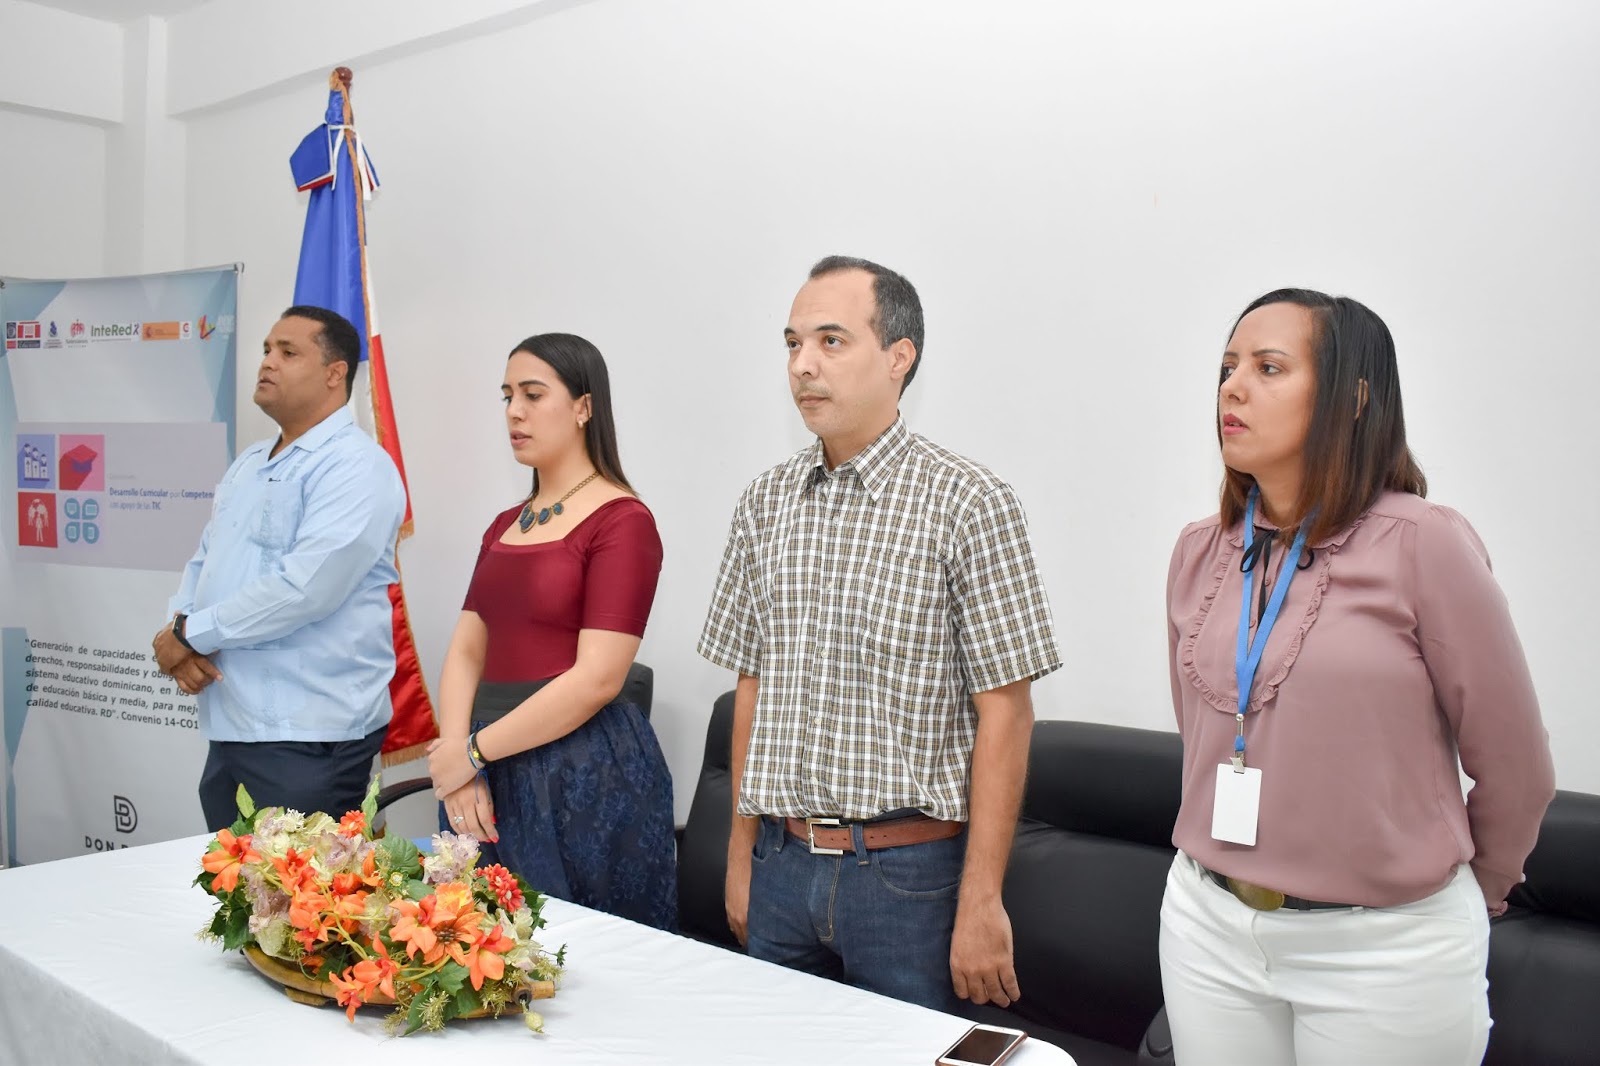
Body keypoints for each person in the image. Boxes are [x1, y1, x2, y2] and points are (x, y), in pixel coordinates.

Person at [1160, 288, 1555, 1064]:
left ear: (1354, 398)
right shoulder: (1199, 551)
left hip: (1383, 952)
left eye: (1269, 368)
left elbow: (1517, 767)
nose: (1233, 388)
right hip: (1209, 925)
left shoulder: (1423, 543)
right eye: (1228, 367)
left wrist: (1472, 891)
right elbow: (1201, 729)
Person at [697, 256, 1061, 1012]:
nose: (803, 365)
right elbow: (751, 686)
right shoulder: (764, 502)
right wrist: (740, 859)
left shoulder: (969, 503)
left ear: (900, 357)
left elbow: (1006, 712)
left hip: (909, 878)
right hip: (781, 861)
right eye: (793, 343)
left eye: (831, 341)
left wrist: (982, 900)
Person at [425, 332, 676, 931]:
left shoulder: (623, 521)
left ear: (584, 407)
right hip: (481, 766)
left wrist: (471, 753)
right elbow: (466, 650)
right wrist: (458, 759)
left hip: (580, 769)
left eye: (533, 395)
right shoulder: (503, 526)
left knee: (579, 954)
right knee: (471, 950)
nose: (514, 411)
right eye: (508, 395)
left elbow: (598, 679)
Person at [153, 305, 406, 830]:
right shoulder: (250, 462)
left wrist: (189, 635)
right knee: (236, 882)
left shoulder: (356, 466)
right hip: (232, 725)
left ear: (336, 373)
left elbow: (305, 589)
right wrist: (179, 630)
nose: (268, 362)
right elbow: (205, 561)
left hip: (310, 735)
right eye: (267, 349)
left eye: (288, 353)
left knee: (309, 884)